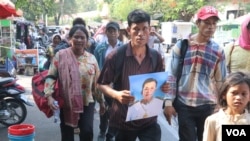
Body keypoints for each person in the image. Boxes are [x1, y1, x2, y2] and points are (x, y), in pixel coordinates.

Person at [97, 9, 169, 141]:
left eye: (144, 29)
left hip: (148, 119)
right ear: (128, 30)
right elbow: (101, 84)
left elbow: (159, 84)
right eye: (136, 29)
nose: (140, 34)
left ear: (150, 30)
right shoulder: (116, 56)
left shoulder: (155, 56)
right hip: (123, 120)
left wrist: (163, 88)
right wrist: (116, 95)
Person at [164, 6, 227, 141]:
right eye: (207, 23)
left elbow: (221, 81)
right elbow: (172, 76)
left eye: (214, 23)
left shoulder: (218, 51)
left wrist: (222, 105)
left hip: (208, 106)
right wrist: (168, 103)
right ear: (198, 23)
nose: (211, 27)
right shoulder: (181, 46)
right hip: (184, 105)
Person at [44, 25, 105, 141]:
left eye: (83, 38)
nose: (79, 40)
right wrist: (49, 96)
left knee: (87, 131)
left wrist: (101, 102)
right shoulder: (61, 56)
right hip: (67, 101)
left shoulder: (92, 59)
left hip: (87, 101)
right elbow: (51, 76)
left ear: (87, 40)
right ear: (70, 38)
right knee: (67, 134)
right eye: (76, 37)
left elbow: (97, 83)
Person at [94, 21, 123, 141]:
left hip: (119, 84)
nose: (112, 34)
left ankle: (112, 133)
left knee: (117, 110)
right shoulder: (100, 48)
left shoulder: (124, 48)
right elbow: (96, 65)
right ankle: (102, 130)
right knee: (104, 109)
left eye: (114, 31)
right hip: (104, 83)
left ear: (118, 33)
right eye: (109, 31)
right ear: (106, 32)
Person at [203, 71, 250, 141]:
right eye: (234, 93)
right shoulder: (213, 121)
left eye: (243, 94)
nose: (238, 97)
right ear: (224, 95)